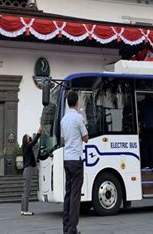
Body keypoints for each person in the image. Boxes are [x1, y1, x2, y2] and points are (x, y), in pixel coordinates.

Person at [61, 91, 89, 234]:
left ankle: (66, 226)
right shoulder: (78, 118)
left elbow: (63, 139)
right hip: (76, 160)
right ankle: (72, 228)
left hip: (66, 159)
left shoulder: (63, 120)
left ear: (67, 103)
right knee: (75, 195)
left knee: (68, 193)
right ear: (77, 102)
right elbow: (86, 138)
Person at [20, 124, 42, 216]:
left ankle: (23, 210)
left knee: (25, 190)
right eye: (28, 137)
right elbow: (35, 141)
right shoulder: (28, 147)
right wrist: (39, 131)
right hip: (28, 170)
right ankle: (25, 210)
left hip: (27, 169)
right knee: (27, 190)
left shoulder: (25, 148)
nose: (29, 138)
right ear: (26, 139)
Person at [138, 94, 153, 168]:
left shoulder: (142, 103)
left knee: (145, 147)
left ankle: (146, 164)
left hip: (145, 128)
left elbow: (139, 116)